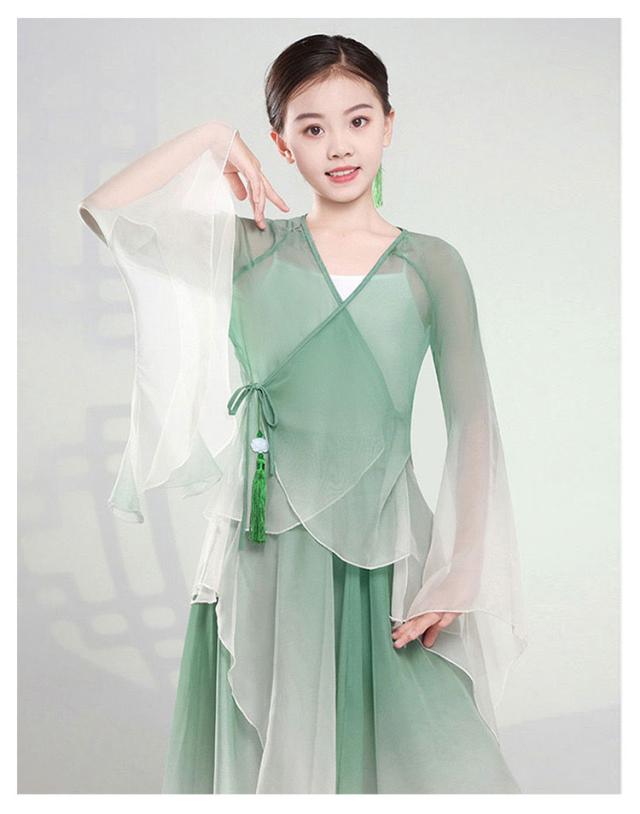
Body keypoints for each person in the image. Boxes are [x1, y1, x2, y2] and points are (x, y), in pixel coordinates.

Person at [78, 33, 527, 794]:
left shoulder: (432, 263)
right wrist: (212, 138)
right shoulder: (251, 250)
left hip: (383, 549)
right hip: (263, 551)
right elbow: (103, 212)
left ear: (389, 125)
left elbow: (472, 421)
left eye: (358, 121)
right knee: (271, 761)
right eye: (311, 128)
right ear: (281, 145)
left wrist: (460, 571)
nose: (339, 146)